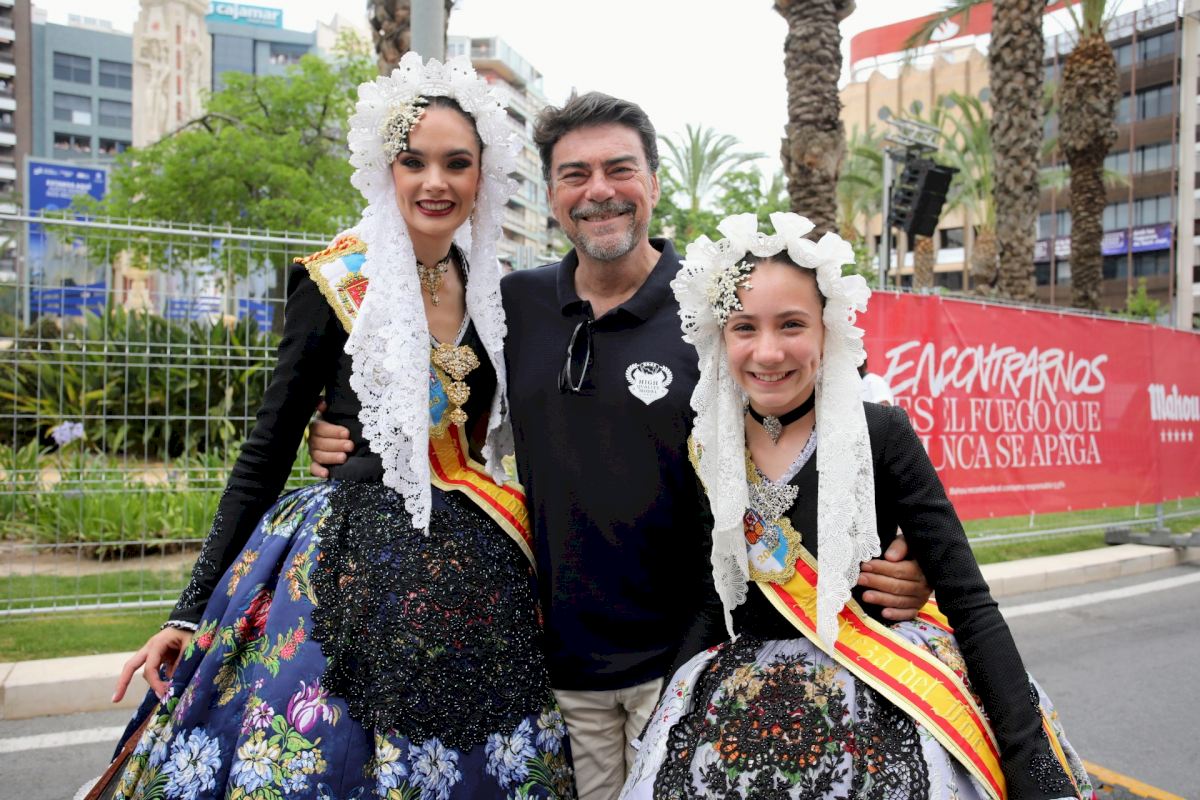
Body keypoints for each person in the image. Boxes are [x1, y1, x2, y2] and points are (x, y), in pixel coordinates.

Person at [308, 92, 931, 800]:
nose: (598, 190)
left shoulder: (718, 308)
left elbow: (851, 420)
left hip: (701, 660)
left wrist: (910, 550)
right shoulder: (509, 306)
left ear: (654, 184)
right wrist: (340, 434)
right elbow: (438, 406)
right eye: (575, 174)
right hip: (557, 670)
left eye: (619, 169)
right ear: (551, 196)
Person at [100, 55, 575, 800]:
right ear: (386, 170)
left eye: (457, 163)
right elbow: (267, 448)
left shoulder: (491, 289)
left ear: (483, 176)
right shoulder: (333, 279)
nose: (435, 182)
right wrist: (188, 613)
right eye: (413, 161)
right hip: (341, 558)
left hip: (469, 569)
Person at [620, 213, 1092, 799]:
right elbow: (713, 603)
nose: (768, 351)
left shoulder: (881, 433)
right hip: (741, 706)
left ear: (829, 329)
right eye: (744, 327)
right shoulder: (707, 448)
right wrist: (666, 719)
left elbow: (969, 602)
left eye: (791, 324)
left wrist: (1028, 762)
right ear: (720, 335)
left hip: (882, 700)